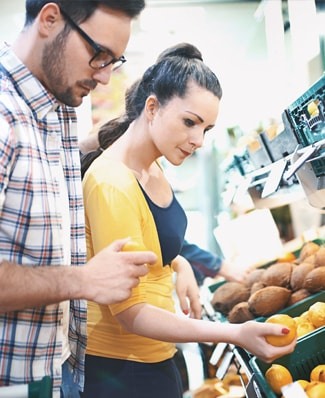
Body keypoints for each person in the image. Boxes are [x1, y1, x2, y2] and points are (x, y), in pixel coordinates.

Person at [81, 43, 297, 398]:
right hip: (121, 373)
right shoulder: (112, 182)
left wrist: (177, 262)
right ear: (152, 107)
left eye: (207, 129)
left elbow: (147, 238)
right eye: (189, 122)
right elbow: (130, 311)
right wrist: (234, 334)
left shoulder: (151, 165)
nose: (198, 140)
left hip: (154, 357)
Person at [0, 1, 157, 397]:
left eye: (113, 62)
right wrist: (84, 279)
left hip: (59, 369)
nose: (105, 78)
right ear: (50, 20)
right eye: (98, 56)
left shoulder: (57, 107)